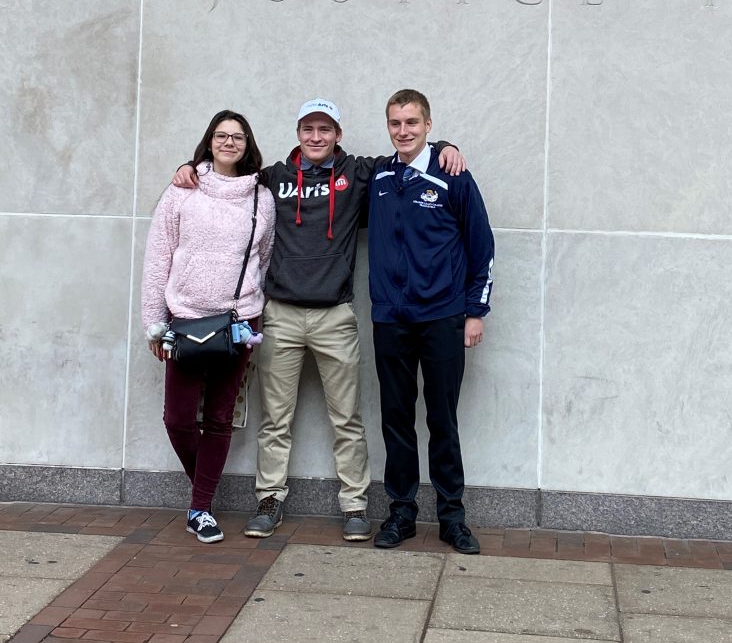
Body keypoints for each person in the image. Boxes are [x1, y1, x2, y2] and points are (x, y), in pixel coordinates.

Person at [172, 99, 464, 542]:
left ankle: (355, 505)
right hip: (281, 315)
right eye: (308, 129)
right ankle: (269, 500)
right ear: (298, 133)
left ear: (338, 135)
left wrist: (445, 144)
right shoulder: (272, 178)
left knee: (346, 418)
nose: (316, 137)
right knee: (276, 418)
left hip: (335, 316)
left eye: (324, 129)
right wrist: (190, 166)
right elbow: (225, 174)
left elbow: (409, 151)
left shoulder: (361, 173)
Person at [368, 89, 494, 555]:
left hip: (442, 317)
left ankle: (452, 516)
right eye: (396, 123)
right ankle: (401, 512)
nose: (404, 131)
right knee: (396, 419)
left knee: (442, 418)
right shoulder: (379, 175)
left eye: (412, 123)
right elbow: (325, 166)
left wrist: (475, 311)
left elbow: (482, 247)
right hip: (391, 319)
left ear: (428, 124)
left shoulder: (453, 175)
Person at [142, 110, 276, 544]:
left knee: (219, 418)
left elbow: (265, 258)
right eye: (222, 135)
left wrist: (253, 308)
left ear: (247, 144)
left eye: (238, 137)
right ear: (209, 141)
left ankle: (200, 507)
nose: (229, 143)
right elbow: (158, 258)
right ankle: (204, 486)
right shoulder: (182, 190)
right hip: (184, 322)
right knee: (178, 419)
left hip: (238, 323)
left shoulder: (261, 198)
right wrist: (153, 323)